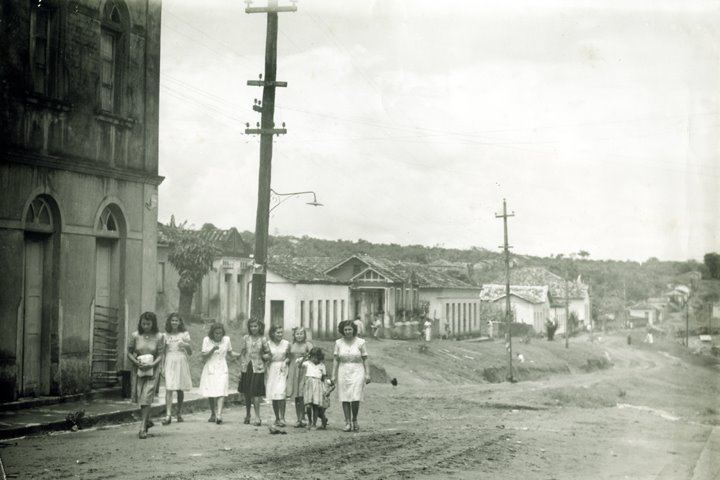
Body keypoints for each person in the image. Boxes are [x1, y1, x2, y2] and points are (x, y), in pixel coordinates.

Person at [127, 311, 164, 439]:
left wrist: (152, 365)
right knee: (141, 397)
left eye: (148, 324)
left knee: (147, 396)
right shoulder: (135, 335)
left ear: (153, 324)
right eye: (143, 323)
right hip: (139, 370)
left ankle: (142, 427)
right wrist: (136, 363)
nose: (145, 326)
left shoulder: (159, 336)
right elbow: (129, 352)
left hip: (152, 370)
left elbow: (160, 355)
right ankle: (147, 421)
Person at [332, 320, 371, 432]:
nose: (348, 332)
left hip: (357, 370)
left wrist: (368, 373)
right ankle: (347, 422)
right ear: (342, 331)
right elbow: (335, 359)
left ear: (354, 330)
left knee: (355, 397)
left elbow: (365, 358)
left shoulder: (360, 342)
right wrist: (333, 375)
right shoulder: (338, 343)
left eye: (349, 329)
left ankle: (354, 419)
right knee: (345, 397)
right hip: (343, 370)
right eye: (345, 330)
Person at [199, 322, 237, 425]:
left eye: (220, 333)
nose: (218, 335)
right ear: (212, 333)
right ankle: (213, 413)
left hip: (222, 367)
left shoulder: (226, 340)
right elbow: (203, 356)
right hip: (211, 367)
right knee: (211, 391)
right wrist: (212, 349)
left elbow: (230, 353)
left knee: (221, 390)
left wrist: (239, 355)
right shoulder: (207, 340)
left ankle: (219, 414)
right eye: (216, 333)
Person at [161, 312, 192, 425]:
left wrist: (185, 345)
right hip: (169, 360)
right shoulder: (165, 335)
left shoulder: (184, 334)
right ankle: (168, 415)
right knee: (169, 387)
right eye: (172, 320)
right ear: (169, 322)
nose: (174, 322)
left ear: (180, 322)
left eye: (176, 320)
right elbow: (163, 352)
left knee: (179, 388)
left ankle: (179, 412)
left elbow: (190, 352)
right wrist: (162, 367)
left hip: (181, 360)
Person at [238, 318, 270, 426]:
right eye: (251, 326)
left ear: (259, 327)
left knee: (256, 393)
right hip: (247, 367)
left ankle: (257, 416)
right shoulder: (246, 338)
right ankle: (247, 414)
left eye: (255, 326)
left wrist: (264, 356)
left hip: (258, 368)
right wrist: (241, 367)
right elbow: (242, 353)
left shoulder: (263, 339)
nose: (253, 328)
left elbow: (268, 354)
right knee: (247, 392)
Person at [286, 327, 313, 427]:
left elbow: (312, 357)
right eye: (297, 334)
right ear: (294, 335)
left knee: (303, 395)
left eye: (301, 334)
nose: (299, 336)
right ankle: (298, 418)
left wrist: (305, 359)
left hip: (304, 371)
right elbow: (288, 357)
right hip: (294, 371)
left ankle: (304, 417)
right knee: (297, 395)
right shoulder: (291, 345)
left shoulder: (308, 345)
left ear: (304, 335)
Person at [265, 325, 291, 427]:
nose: (280, 334)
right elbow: (265, 356)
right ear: (272, 333)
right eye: (278, 332)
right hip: (272, 369)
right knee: (274, 395)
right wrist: (266, 358)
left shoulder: (286, 343)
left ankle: (283, 417)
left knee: (281, 393)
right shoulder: (268, 344)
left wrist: (285, 362)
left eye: (281, 332)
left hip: (283, 368)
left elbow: (289, 357)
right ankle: (277, 418)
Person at [302, 346, 330, 430]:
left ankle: (314, 423)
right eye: (312, 357)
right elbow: (299, 365)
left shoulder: (322, 366)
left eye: (316, 357)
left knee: (315, 406)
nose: (314, 359)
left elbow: (324, 378)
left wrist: (325, 389)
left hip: (318, 385)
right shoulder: (307, 363)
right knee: (308, 405)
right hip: (309, 384)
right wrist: (305, 357)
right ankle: (309, 421)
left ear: (319, 357)